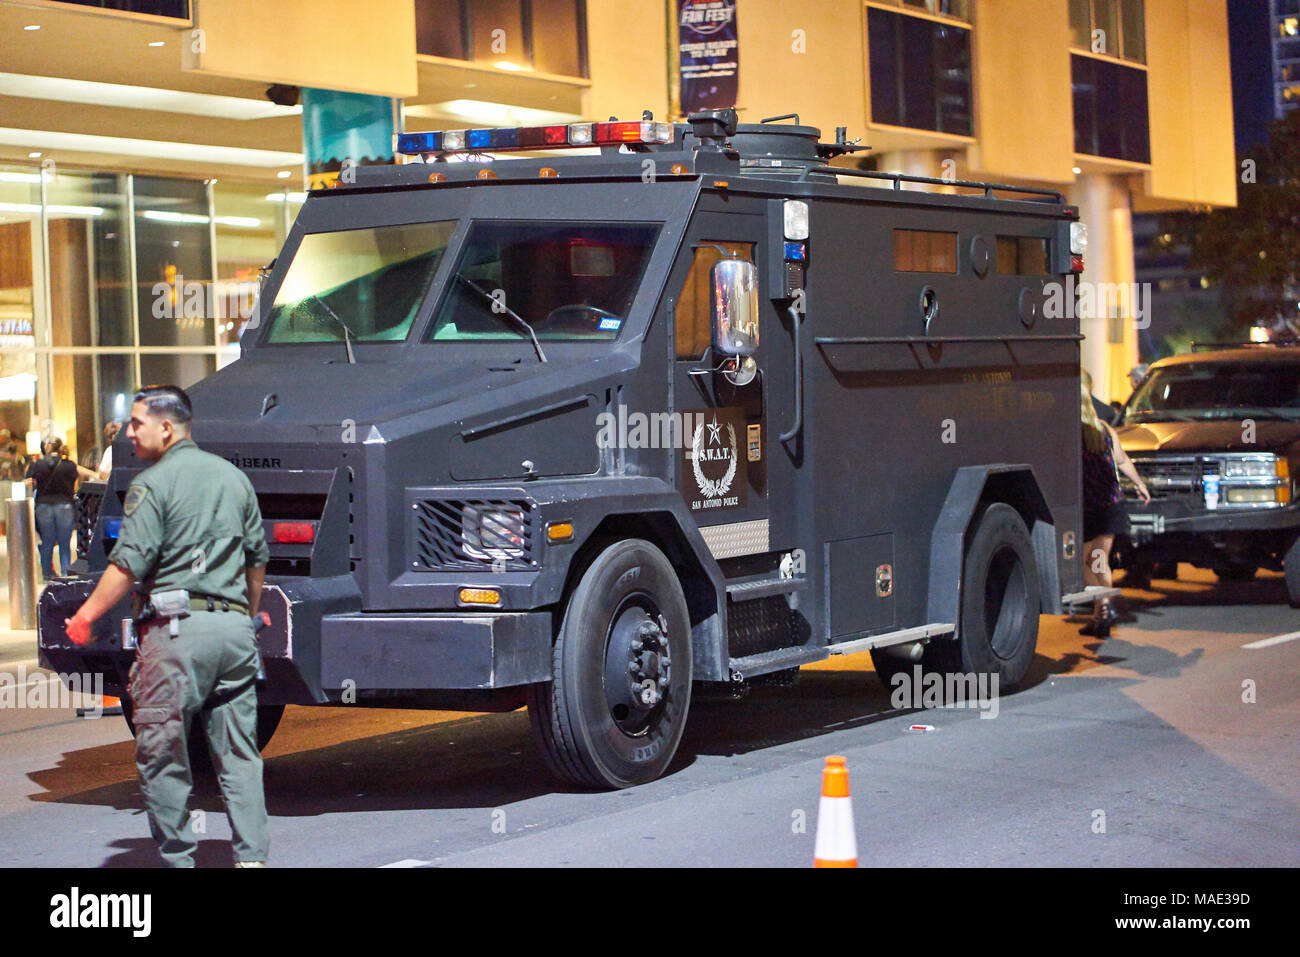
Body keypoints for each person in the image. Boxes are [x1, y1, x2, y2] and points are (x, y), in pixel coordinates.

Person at [64, 385, 270, 868]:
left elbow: (127, 566)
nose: (129, 432)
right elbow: (256, 560)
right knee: (239, 754)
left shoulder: (152, 485)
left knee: (163, 755)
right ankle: (253, 860)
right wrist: (244, 616)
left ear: (167, 427)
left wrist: (86, 615)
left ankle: (178, 859)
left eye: (137, 423)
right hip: (234, 634)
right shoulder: (233, 479)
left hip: (177, 635)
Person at [1080, 370, 1149, 636]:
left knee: (1084, 564)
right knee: (1100, 561)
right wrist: (1139, 484)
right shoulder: (1105, 428)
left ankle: (1103, 606)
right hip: (1110, 503)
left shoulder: (1071, 430)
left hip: (1086, 506)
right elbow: (1121, 460)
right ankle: (1103, 612)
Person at [25, 438, 97, 580]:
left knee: (47, 541)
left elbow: (28, 481)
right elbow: (75, 479)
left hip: (43, 505)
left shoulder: (38, 464)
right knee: (65, 542)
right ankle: (65, 573)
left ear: (47, 448)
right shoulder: (69, 465)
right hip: (64, 505)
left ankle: (47, 573)